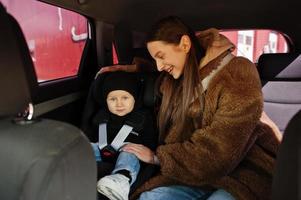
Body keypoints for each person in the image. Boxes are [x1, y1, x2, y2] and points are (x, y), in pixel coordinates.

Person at [101, 16, 280, 200]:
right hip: (193, 174)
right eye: (155, 59)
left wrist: (158, 158)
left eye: (161, 56)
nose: (159, 66)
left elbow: (219, 153)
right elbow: (154, 74)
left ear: (185, 44)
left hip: (242, 174)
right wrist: (129, 70)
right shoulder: (175, 78)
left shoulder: (238, 72)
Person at [90, 71, 157, 200]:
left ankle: (120, 180)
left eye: (125, 98)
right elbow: (95, 137)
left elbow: (151, 141)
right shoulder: (101, 116)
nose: (119, 103)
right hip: (104, 150)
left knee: (130, 153)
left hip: (130, 154)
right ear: (106, 100)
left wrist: (148, 152)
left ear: (135, 98)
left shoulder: (143, 117)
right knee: (87, 147)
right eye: (113, 99)